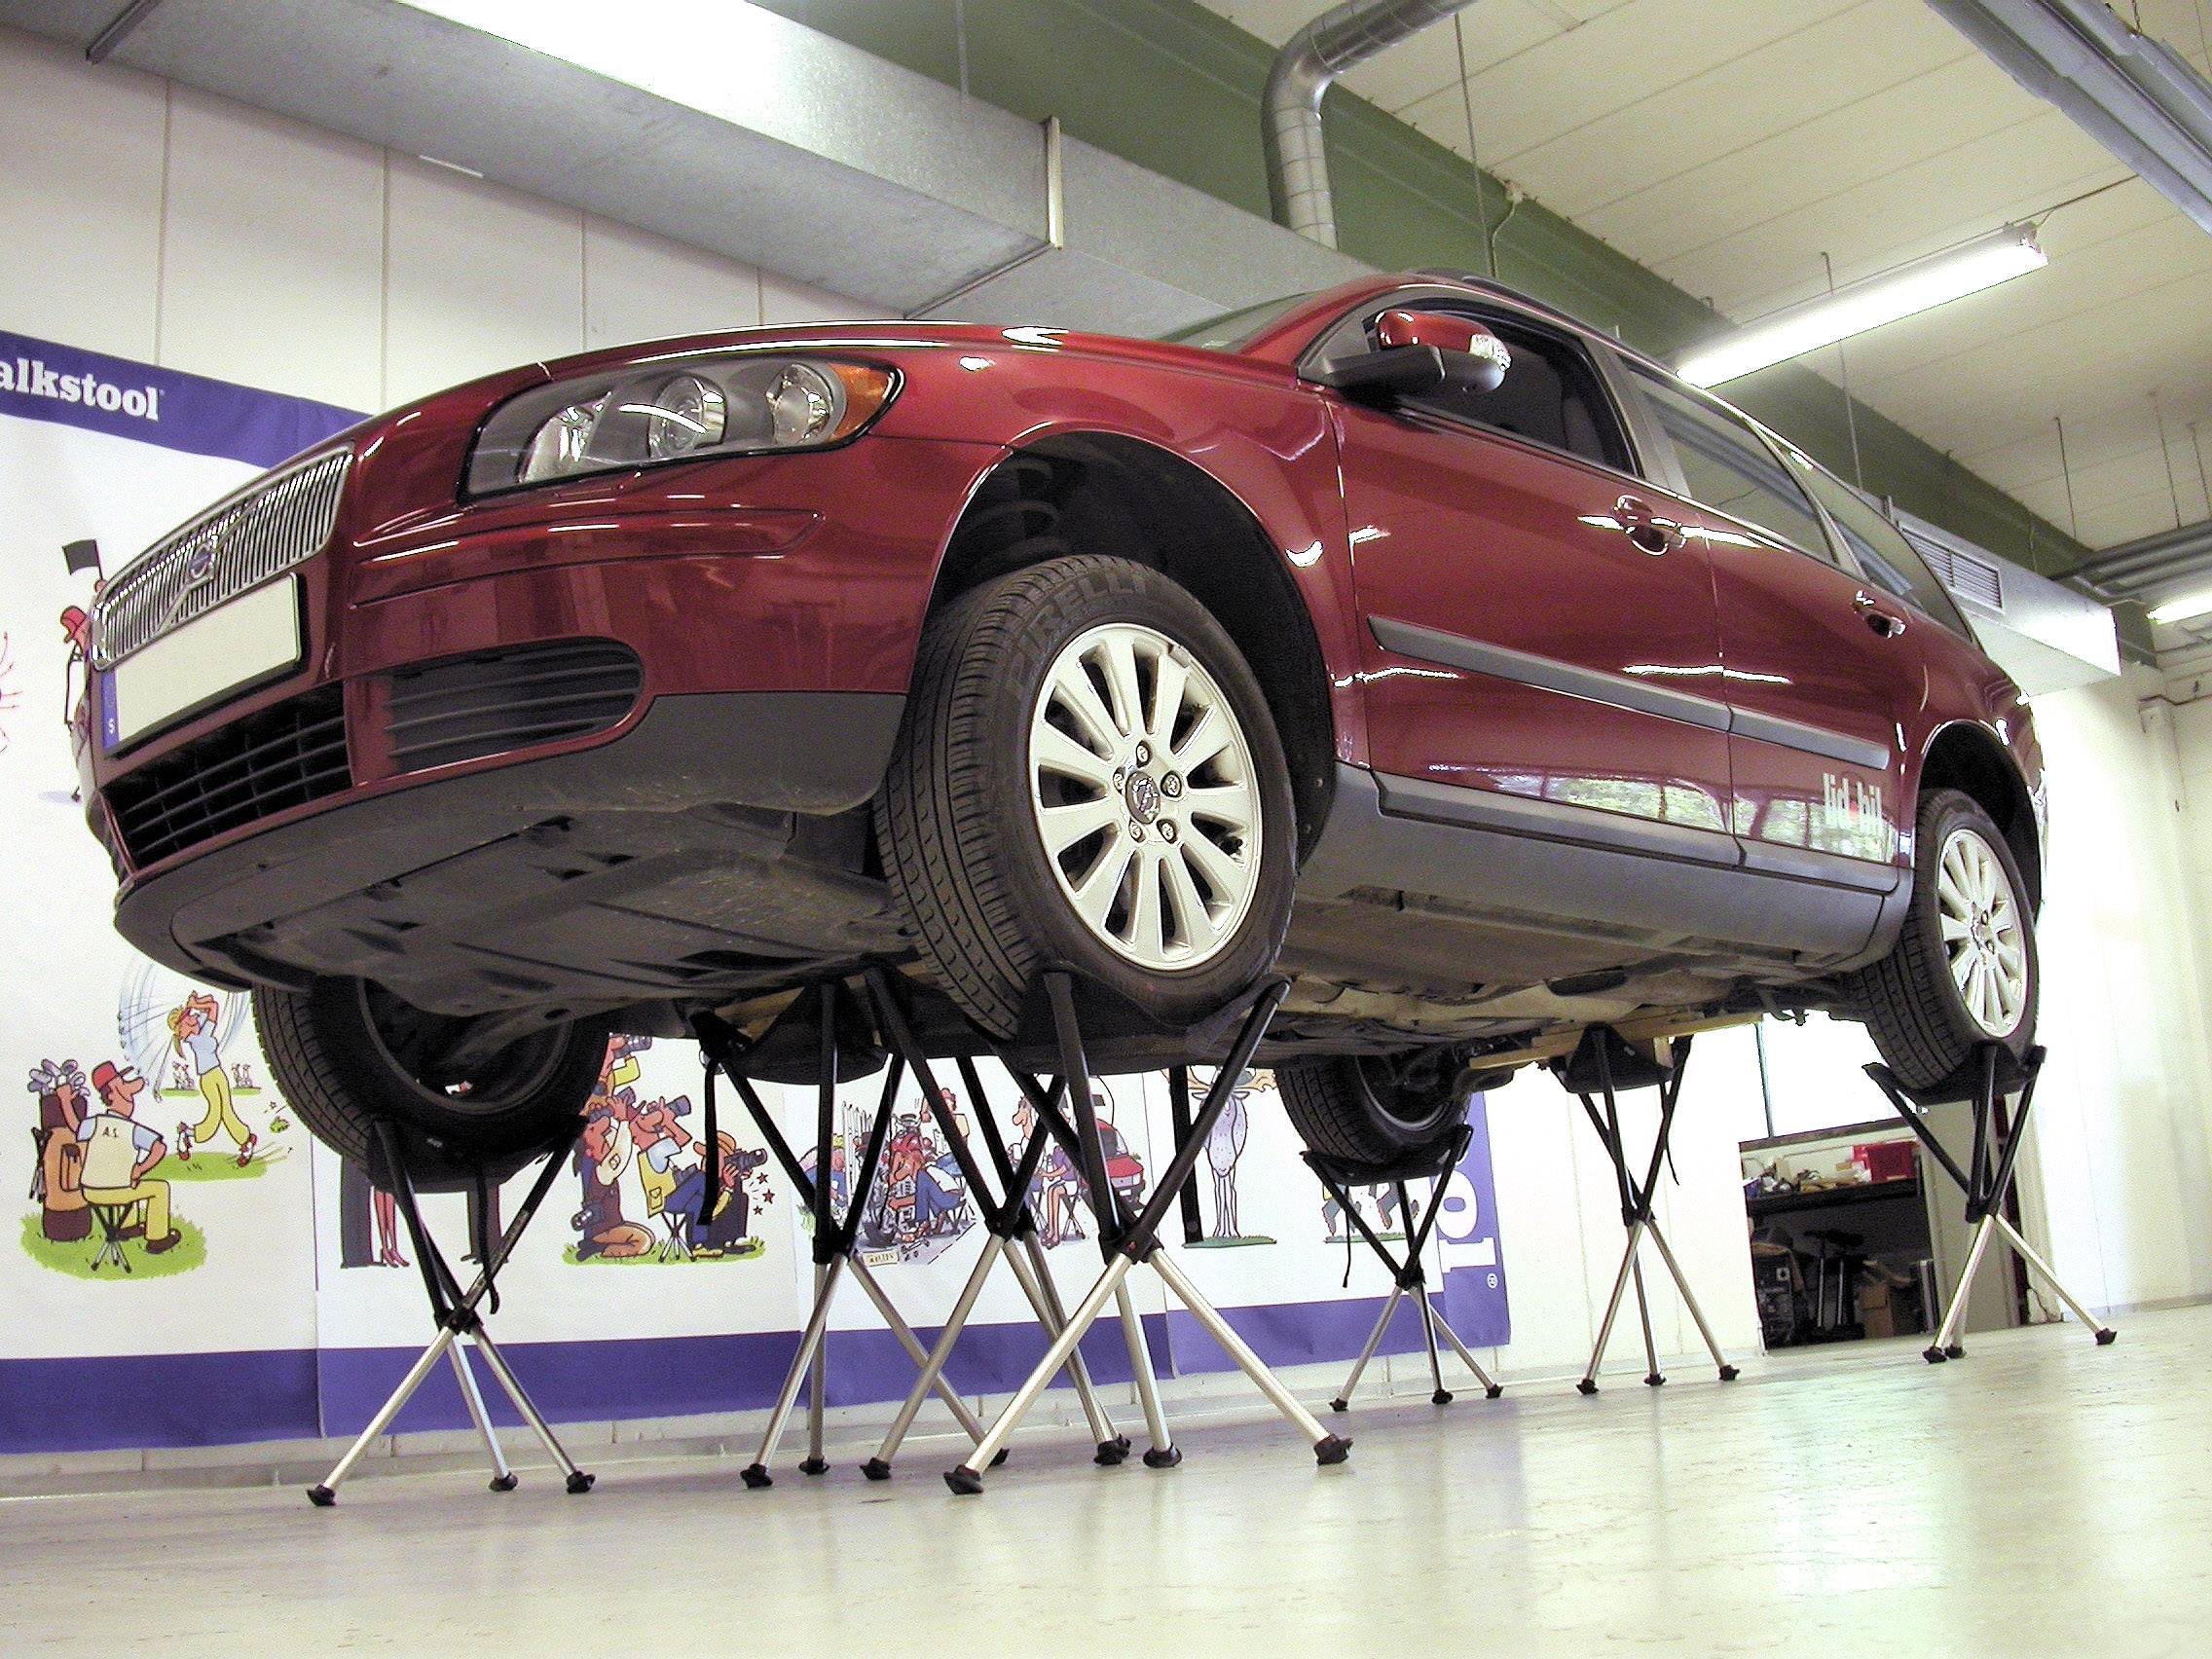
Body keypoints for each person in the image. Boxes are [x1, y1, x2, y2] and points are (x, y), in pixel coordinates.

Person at [78, 1062, 179, 1254]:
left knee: (128, 1177)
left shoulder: (90, 1124)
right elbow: (160, 1148)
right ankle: (158, 1238)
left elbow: (82, 1153)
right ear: (112, 1094)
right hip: (118, 1190)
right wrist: (140, 1169)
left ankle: (128, 1226)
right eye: (122, 1083)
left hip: (89, 1191)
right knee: (159, 1188)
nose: (129, 1087)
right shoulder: (133, 1130)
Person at [170, 992, 253, 1165]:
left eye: (190, 1016)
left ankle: (245, 1140)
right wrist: (195, 1004)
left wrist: (196, 1003)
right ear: (182, 1031)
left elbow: (212, 1004)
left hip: (218, 1074)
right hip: (208, 1078)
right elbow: (212, 1008)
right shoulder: (196, 1039)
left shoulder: (201, 1029)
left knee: (225, 1111)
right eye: (187, 1021)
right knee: (217, 1114)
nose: (192, 1019)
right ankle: (189, 1134)